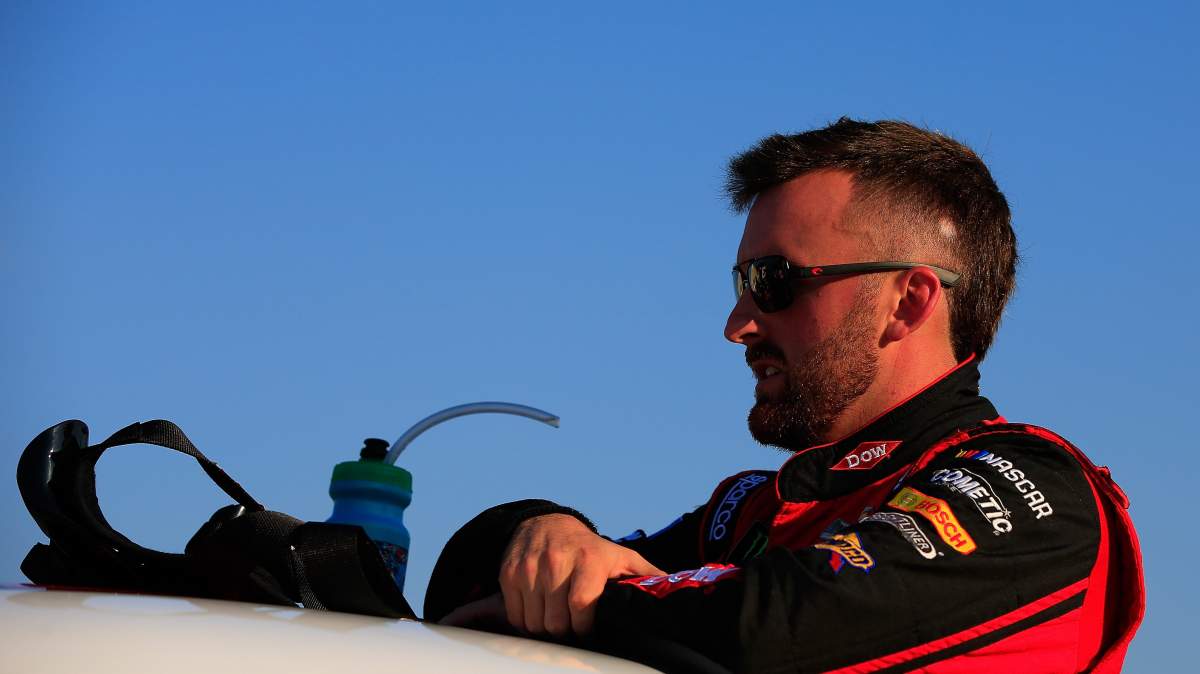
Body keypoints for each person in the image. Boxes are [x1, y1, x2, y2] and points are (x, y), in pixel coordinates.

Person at [423, 119, 1144, 673]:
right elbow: (471, 583)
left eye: (773, 282)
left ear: (908, 302)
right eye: (740, 284)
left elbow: (780, 629)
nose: (738, 324)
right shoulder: (752, 513)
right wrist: (545, 532)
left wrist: (584, 600)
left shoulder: (1040, 490)